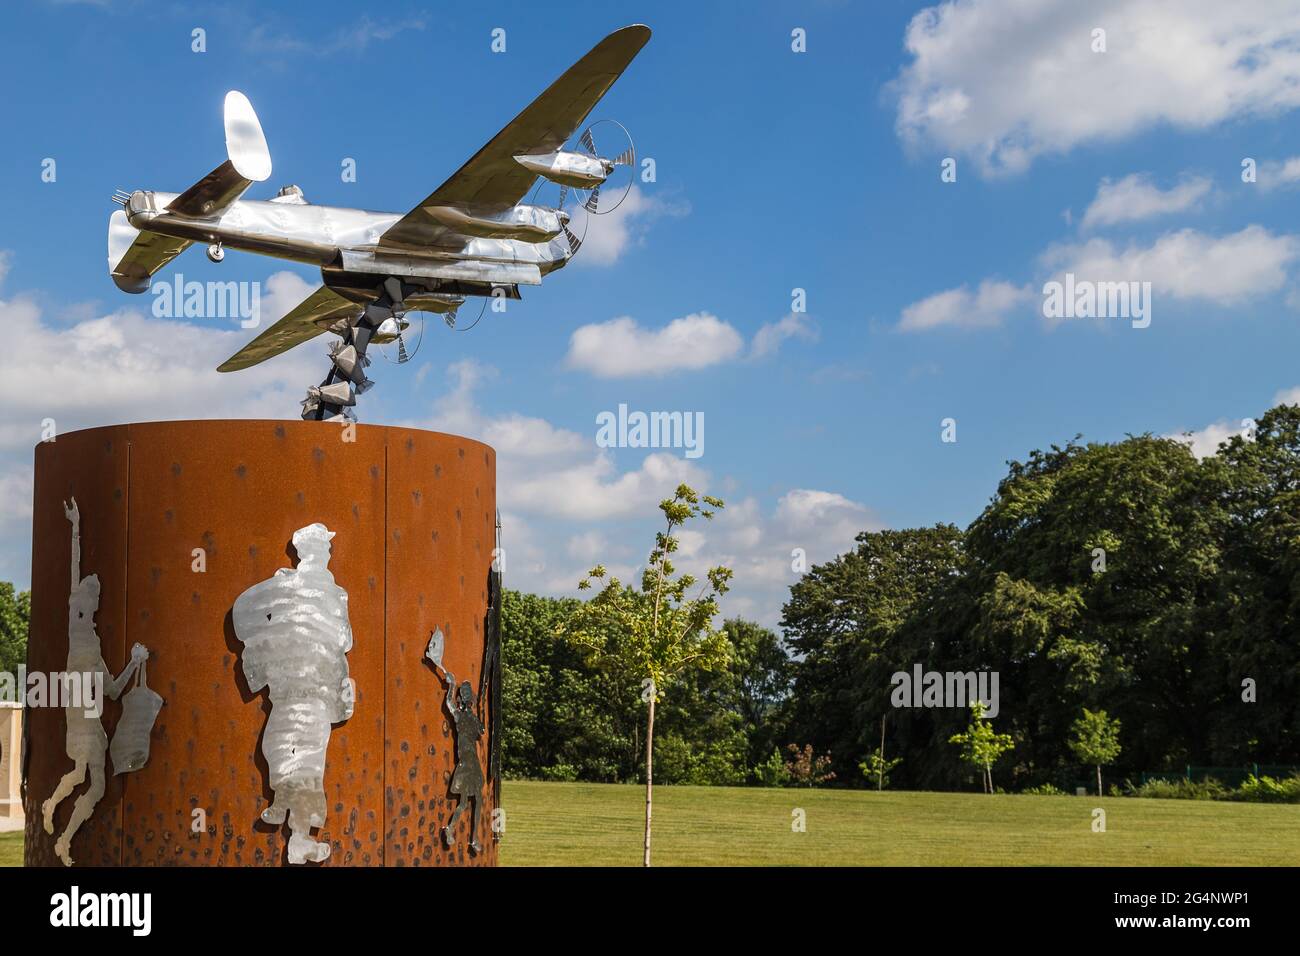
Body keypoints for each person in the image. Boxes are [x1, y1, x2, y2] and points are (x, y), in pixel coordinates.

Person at [233, 523, 354, 865]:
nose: (326, 553)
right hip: (295, 690)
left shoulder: (327, 593)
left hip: (310, 691)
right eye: (322, 547)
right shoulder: (287, 586)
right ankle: (284, 802)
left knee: (303, 758)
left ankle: (299, 836)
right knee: (278, 746)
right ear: (313, 551)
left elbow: (344, 641)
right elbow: (345, 640)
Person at [42, 498, 147, 867]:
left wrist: (135, 663)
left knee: (93, 782)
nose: (95, 602)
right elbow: (74, 567)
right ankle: (57, 817)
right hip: (80, 717)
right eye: (92, 595)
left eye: (97, 598)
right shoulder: (77, 626)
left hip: (92, 720)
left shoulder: (96, 647)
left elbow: (115, 691)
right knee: (81, 773)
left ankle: (63, 834)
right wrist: (75, 525)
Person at [439, 668, 485, 854]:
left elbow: (481, 731)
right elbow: (449, 704)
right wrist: (451, 685)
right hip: (466, 764)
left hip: (472, 763)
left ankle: (472, 838)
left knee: (475, 801)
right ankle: (453, 830)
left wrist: (451, 685)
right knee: (466, 803)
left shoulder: (468, 718)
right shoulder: (461, 716)